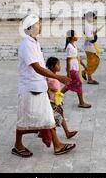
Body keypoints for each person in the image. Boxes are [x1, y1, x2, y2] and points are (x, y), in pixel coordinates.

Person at [13, 14, 76, 158]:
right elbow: (37, 68)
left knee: (48, 118)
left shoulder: (34, 42)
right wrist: (58, 77)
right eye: (38, 23)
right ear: (31, 27)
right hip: (29, 88)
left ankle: (58, 145)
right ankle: (17, 145)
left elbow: (40, 66)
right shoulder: (26, 45)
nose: (40, 25)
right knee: (25, 120)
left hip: (39, 87)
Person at [46, 57, 78, 139]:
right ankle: (65, 133)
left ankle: (67, 132)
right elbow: (44, 86)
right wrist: (50, 89)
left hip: (57, 101)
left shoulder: (56, 76)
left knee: (60, 117)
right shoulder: (49, 77)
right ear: (53, 67)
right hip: (52, 102)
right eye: (58, 65)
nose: (60, 66)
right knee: (56, 117)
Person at [63, 30, 92, 108]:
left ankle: (58, 95)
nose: (77, 36)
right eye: (76, 35)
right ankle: (81, 102)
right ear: (72, 37)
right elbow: (68, 60)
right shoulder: (69, 47)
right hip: (72, 69)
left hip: (75, 67)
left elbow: (77, 57)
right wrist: (68, 72)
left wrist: (83, 65)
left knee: (70, 84)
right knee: (78, 84)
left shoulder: (73, 46)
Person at [83, 12, 102, 85]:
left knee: (91, 62)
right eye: (94, 17)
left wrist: (94, 33)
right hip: (89, 46)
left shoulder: (88, 25)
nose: (94, 19)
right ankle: (88, 78)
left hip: (89, 46)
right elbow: (89, 38)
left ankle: (85, 73)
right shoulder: (87, 26)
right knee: (94, 62)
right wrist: (95, 33)